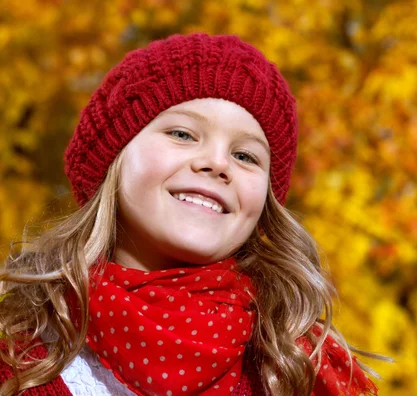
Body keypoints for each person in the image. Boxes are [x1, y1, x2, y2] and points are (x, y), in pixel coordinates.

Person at [0, 33, 389, 395]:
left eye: (245, 156)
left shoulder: (300, 369)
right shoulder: (17, 358)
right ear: (111, 158)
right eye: (183, 134)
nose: (218, 164)